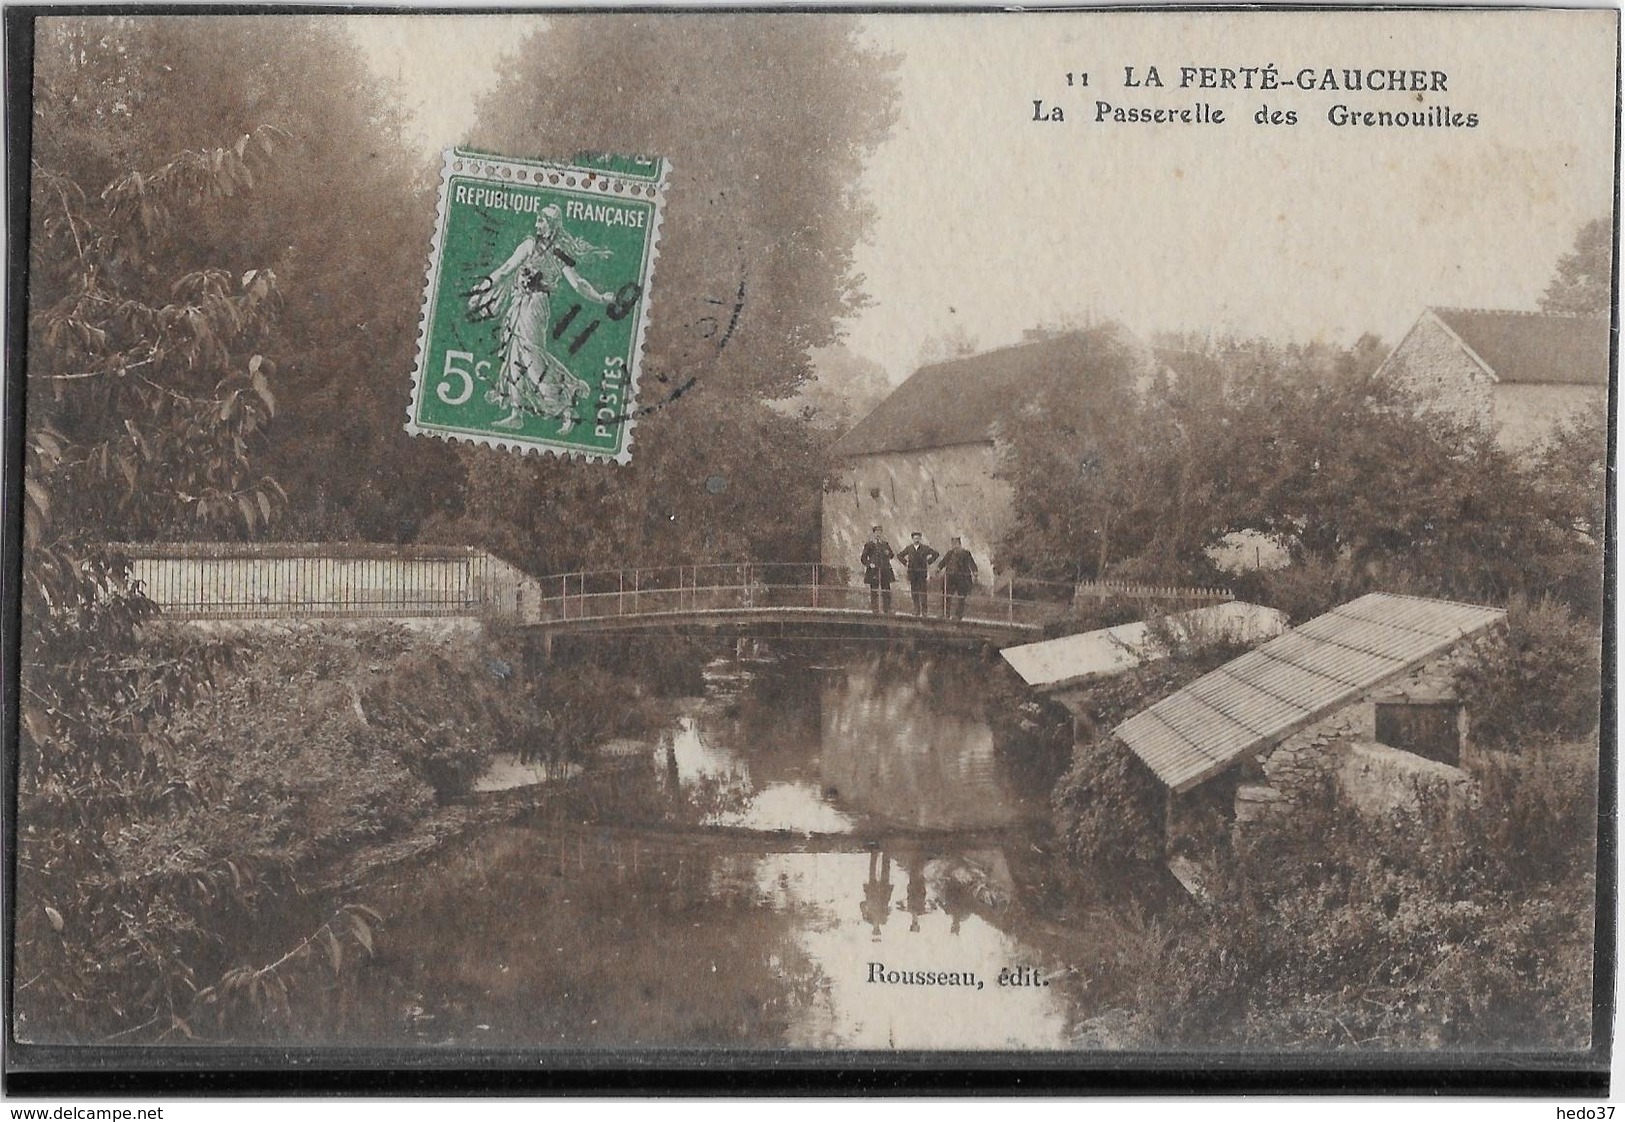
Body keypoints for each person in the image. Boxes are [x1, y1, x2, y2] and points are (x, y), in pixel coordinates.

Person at [467, 204, 613, 433]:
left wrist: (601, 298)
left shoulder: (558, 253)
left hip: (535, 307)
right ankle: (516, 414)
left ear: (553, 225)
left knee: (533, 359)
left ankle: (565, 407)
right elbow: (505, 269)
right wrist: (484, 287)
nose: (537, 225)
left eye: (542, 221)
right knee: (515, 353)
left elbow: (578, 283)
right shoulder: (529, 245)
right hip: (520, 304)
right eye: (537, 220)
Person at [935, 536, 979, 621]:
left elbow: (971, 563)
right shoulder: (950, 553)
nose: (954, 546)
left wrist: (975, 572)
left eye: (956, 544)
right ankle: (945, 613)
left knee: (961, 597)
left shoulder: (966, 553)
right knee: (946, 596)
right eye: (953, 544)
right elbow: (943, 562)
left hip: (962, 578)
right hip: (950, 578)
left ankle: (958, 616)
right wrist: (938, 568)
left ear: (960, 544)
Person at [897, 532, 940, 617]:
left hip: (921, 573)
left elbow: (936, 554)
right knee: (914, 592)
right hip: (912, 573)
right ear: (912, 539)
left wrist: (928, 562)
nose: (916, 540)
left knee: (923, 592)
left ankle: (924, 611)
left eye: (918, 538)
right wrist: (906, 563)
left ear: (920, 539)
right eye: (915, 538)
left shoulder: (925, 548)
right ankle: (916, 610)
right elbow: (899, 555)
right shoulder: (909, 548)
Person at [859, 525, 895, 615]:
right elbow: (863, 558)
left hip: (884, 569)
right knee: (874, 590)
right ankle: (875, 609)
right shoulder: (869, 544)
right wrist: (869, 564)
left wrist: (888, 553)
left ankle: (887, 609)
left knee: (886, 589)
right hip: (874, 570)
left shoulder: (885, 544)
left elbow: (891, 555)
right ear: (874, 533)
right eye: (876, 532)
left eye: (880, 532)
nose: (878, 534)